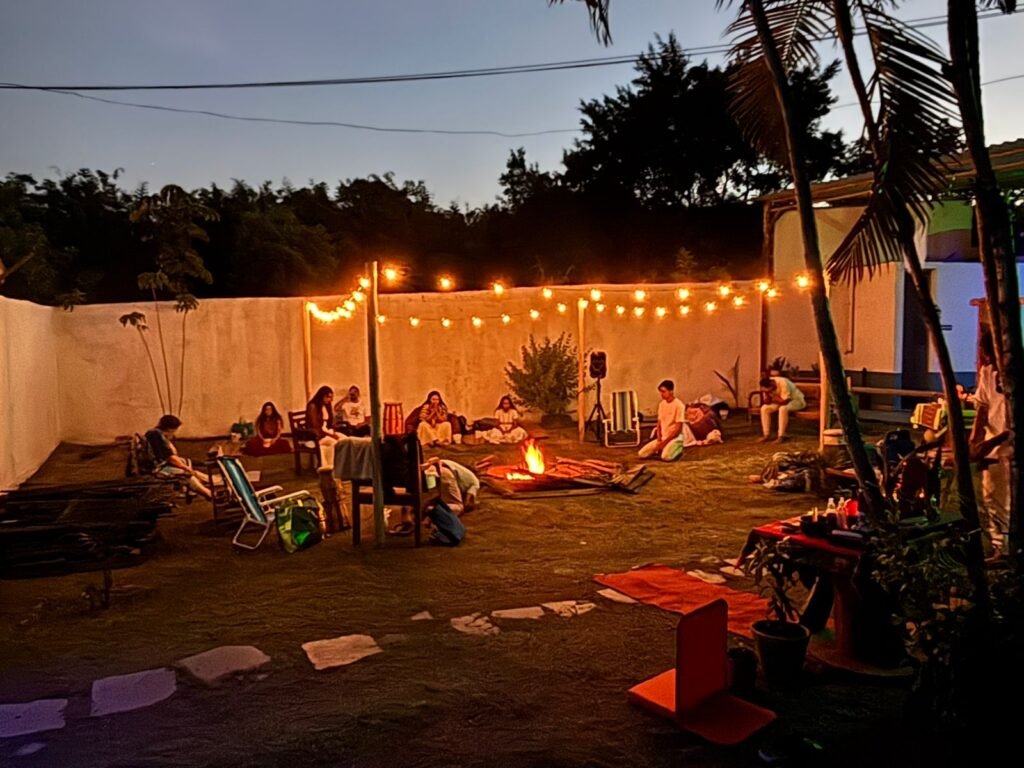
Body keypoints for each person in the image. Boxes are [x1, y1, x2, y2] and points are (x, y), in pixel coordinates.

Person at [971, 333, 1012, 562]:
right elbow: (982, 409)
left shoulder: (1015, 374)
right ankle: (1000, 548)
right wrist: (974, 441)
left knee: (1005, 501)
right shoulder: (988, 373)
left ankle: (1006, 548)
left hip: (1008, 449)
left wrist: (990, 443)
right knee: (989, 499)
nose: (986, 355)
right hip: (992, 449)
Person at [145, 414, 213, 499]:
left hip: (160, 465)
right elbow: (170, 458)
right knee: (186, 474)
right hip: (156, 468)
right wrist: (187, 469)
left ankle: (207, 482)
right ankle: (208, 494)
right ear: (170, 429)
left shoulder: (155, 433)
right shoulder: (157, 435)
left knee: (186, 463)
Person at [638, 380, 686, 461]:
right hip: (663, 437)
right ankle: (662, 450)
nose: (662, 394)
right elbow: (659, 423)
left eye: (664, 391)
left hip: (674, 438)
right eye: (661, 392)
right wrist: (659, 438)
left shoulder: (679, 405)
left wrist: (665, 442)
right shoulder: (662, 404)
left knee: (666, 457)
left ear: (671, 391)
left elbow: (678, 428)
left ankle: (678, 449)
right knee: (642, 454)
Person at [759, 373, 806, 443]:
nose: (770, 391)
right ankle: (766, 434)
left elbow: (785, 401)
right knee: (764, 408)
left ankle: (781, 435)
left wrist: (774, 396)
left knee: (783, 409)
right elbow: (767, 402)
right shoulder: (766, 387)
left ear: (772, 384)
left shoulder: (783, 383)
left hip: (796, 401)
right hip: (779, 402)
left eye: (770, 389)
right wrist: (767, 395)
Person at [306, 385, 343, 468]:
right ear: (322, 396)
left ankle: (340, 465)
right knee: (334, 443)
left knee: (344, 439)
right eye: (328, 397)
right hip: (317, 435)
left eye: (331, 397)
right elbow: (316, 426)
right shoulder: (313, 406)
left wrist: (333, 431)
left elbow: (331, 422)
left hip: (327, 431)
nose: (330, 400)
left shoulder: (326, 406)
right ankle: (328, 466)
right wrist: (330, 435)